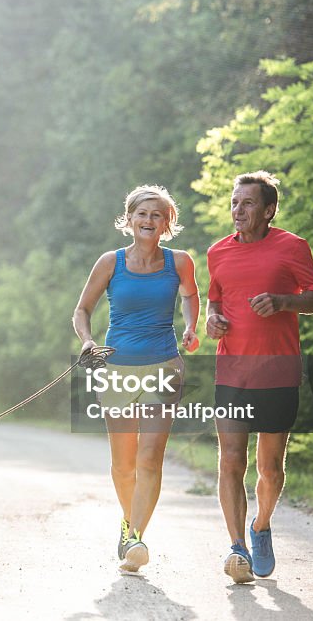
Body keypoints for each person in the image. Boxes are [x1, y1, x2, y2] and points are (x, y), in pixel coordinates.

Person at [205, 171, 313, 584]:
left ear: (269, 210)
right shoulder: (218, 252)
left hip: (278, 371)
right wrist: (212, 319)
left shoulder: (292, 247)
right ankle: (237, 546)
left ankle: (261, 526)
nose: (238, 211)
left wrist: (281, 302)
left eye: (248, 204)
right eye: (235, 203)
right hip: (233, 371)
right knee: (230, 460)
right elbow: (215, 298)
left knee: (270, 469)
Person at [73, 184, 199, 573]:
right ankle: (129, 524)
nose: (148, 221)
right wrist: (89, 341)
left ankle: (135, 536)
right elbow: (82, 310)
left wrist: (192, 326)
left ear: (167, 223)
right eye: (142, 214)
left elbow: (191, 296)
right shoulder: (111, 262)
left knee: (150, 457)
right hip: (117, 370)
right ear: (129, 220)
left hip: (164, 366)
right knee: (123, 463)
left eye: (156, 215)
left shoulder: (180, 262)